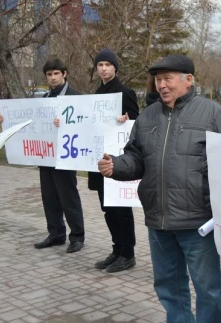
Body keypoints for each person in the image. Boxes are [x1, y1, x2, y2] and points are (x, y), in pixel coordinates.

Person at [97, 54, 221, 323]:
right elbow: (135, 157)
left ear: (188, 80)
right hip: (158, 220)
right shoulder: (148, 116)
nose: (162, 85)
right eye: (158, 80)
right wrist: (117, 165)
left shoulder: (213, 113)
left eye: (168, 78)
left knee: (208, 289)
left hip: (197, 221)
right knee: (169, 287)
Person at [0, 58, 85, 253]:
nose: (53, 77)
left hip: (65, 156)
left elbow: (83, 124)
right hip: (45, 157)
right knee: (49, 197)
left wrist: (65, 124)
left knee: (68, 197)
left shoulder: (75, 97)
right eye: (49, 74)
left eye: (56, 73)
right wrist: (5, 118)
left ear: (65, 74)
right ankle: (56, 234)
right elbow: (27, 122)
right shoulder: (43, 98)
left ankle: (77, 237)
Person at [87, 49, 140, 273]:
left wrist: (126, 119)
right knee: (108, 209)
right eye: (100, 65)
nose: (104, 68)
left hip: (118, 162)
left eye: (108, 64)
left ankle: (128, 253)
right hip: (99, 161)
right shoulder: (96, 94)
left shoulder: (125, 92)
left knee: (121, 210)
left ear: (115, 67)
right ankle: (117, 249)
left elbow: (137, 125)